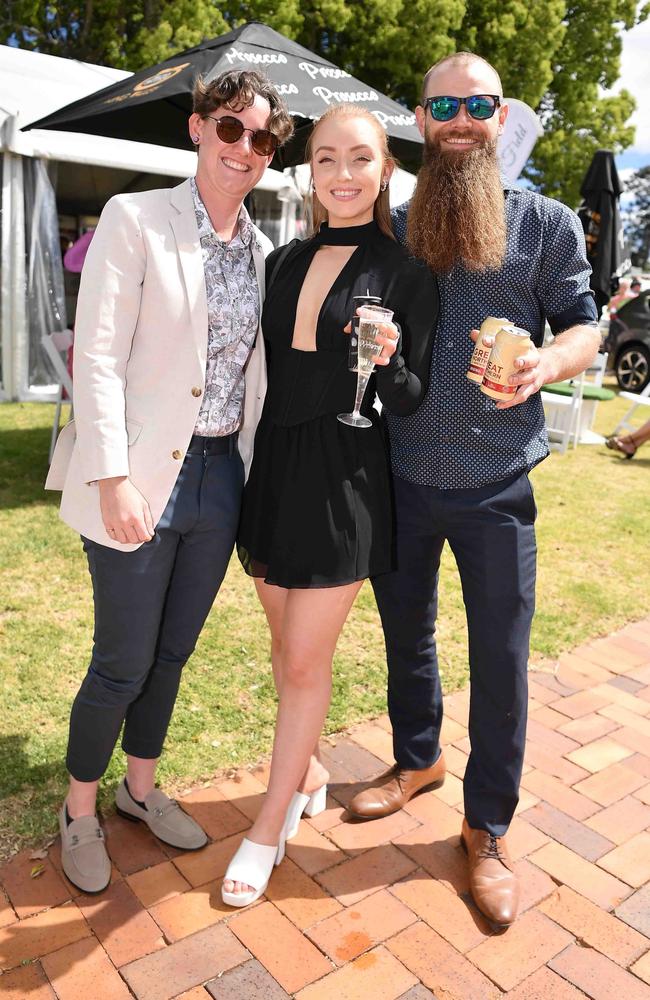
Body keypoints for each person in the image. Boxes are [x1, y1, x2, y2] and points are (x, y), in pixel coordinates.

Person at [347, 52, 601, 929]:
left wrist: (546, 363)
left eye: (478, 105)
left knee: (501, 659)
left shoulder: (546, 225)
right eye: (443, 104)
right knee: (405, 636)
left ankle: (487, 827)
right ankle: (416, 760)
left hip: (499, 484)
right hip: (403, 475)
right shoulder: (398, 225)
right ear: (422, 120)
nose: (460, 118)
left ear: (501, 119)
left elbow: (583, 323)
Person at [45, 70, 293, 894]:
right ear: (197, 129)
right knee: (122, 659)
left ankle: (138, 790)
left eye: (262, 139)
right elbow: (101, 354)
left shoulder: (263, 253)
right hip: (142, 474)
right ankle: (79, 808)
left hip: (223, 477)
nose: (245, 149)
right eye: (232, 129)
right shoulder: (135, 218)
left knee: (174, 654)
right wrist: (112, 476)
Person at [221, 103, 439, 907]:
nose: (342, 176)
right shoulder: (282, 260)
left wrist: (387, 365)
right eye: (325, 160)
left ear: (385, 169)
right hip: (274, 471)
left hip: (347, 480)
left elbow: (412, 398)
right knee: (283, 652)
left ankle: (268, 825)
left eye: (359, 159)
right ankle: (308, 770)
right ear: (307, 171)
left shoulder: (407, 270)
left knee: (307, 663)